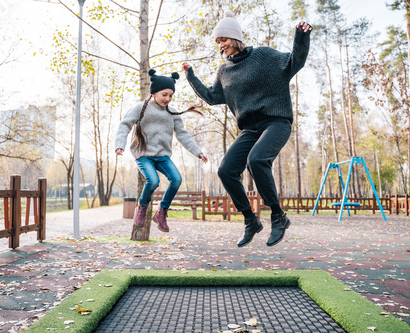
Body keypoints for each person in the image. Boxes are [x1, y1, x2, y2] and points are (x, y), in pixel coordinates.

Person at [182, 11, 312, 247]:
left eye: (224, 39)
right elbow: (212, 97)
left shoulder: (263, 56)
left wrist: (301, 36)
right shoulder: (224, 72)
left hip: (276, 122)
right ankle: (251, 221)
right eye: (218, 42)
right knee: (226, 170)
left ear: (235, 37)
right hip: (249, 130)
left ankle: (278, 217)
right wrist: (190, 75)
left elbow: (295, 62)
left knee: (257, 160)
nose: (221, 45)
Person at [115, 69, 208, 232]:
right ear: (154, 93)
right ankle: (142, 207)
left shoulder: (172, 113)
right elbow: (124, 124)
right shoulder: (141, 108)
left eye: (171, 95)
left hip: (163, 156)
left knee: (177, 179)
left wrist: (198, 152)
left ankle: (161, 212)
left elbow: (183, 135)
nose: (168, 98)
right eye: (164, 94)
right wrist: (120, 145)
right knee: (153, 181)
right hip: (143, 155)